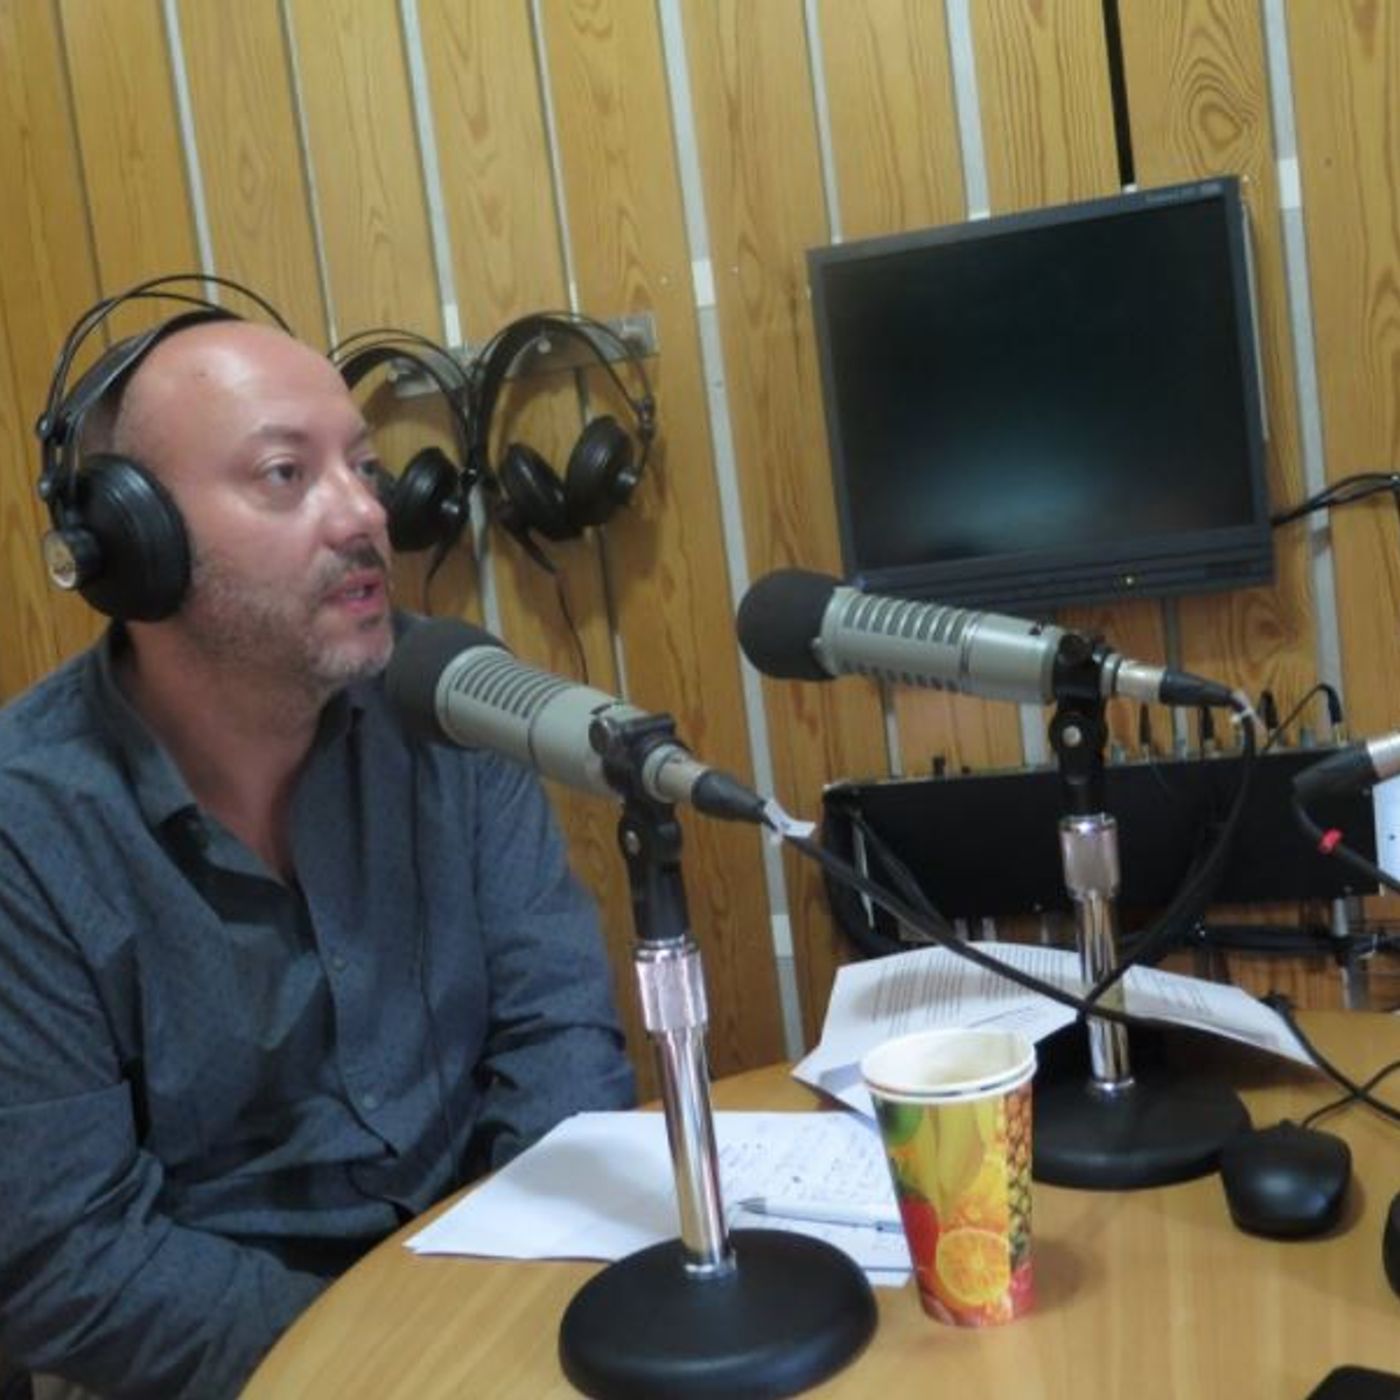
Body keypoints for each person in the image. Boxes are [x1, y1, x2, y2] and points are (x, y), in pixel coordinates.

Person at [0, 303, 637, 1398]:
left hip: (497, 1306)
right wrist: (394, 1354)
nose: (364, 515)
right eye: (286, 475)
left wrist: (515, 1303)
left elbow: (558, 1031)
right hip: (218, 1365)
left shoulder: (452, 701)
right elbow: (69, 1254)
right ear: (133, 542)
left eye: (365, 466)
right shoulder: (26, 826)